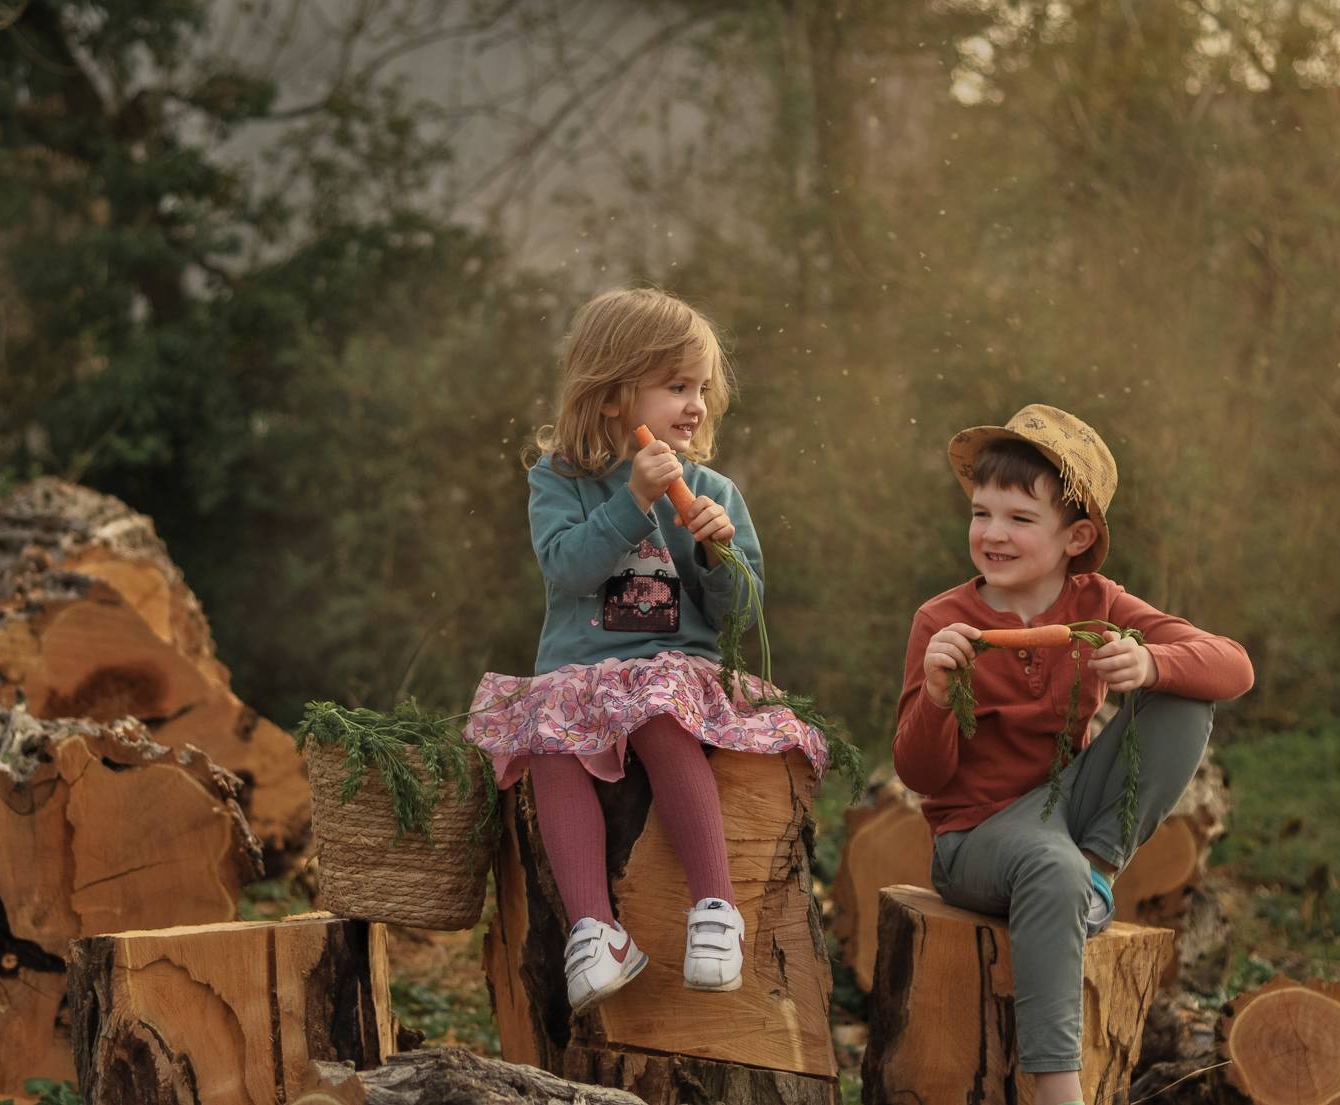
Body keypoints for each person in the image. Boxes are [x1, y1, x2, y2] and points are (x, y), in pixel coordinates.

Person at [464, 287, 828, 1016]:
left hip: (674, 675)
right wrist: (632, 500)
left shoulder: (713, 489)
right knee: (548, 746)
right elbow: (568, 567)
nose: (695, 405)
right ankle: (595, 932)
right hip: (581, 674)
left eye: (700, 388)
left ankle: (716, 908)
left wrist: (718, 554)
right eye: (675, 386)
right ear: (611, 396)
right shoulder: (559, 479)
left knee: (658, 712)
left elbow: (740, 617)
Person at [893, 404, 1253, 1105]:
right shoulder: (942, 620)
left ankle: (1095, 874)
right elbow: (919, 773)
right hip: (974, 839)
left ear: (1076, 535)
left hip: (1068, 813)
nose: (993, 533)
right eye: (981, 513)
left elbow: (1234, 665)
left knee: (1185, 697)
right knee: (1046, 863)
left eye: (1020, 518)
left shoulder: (1097, 602)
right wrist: (936, 693)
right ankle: (1059, 1088)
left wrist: (1149, 663)